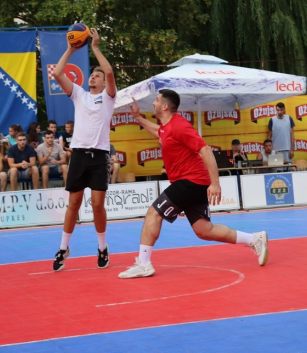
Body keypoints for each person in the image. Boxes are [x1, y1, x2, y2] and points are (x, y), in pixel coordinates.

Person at [118, 90, 268, 279]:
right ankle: (255, 239)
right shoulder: (165, 127)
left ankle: (144, 264)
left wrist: (215, 183)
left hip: (190, 180)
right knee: (204, 230)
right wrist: (138, 118)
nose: (153, 103)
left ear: (165, 106)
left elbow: (205, 149)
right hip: (194, 182)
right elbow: (158, 132)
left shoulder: (179, 125)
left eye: (156, 101)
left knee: (153, 213)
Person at [51, 27, 116, 271]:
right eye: (92, 76)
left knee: (98, 205)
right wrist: (71, 48)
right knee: (74, 204)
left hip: (99, 156)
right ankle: (63, 248)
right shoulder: (79, 94)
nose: (93, 78)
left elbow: (109, 70)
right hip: (78, 154)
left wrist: (95, 47)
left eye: (96, 77)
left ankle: (102, 248)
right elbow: (57, 72)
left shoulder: (108, 98)